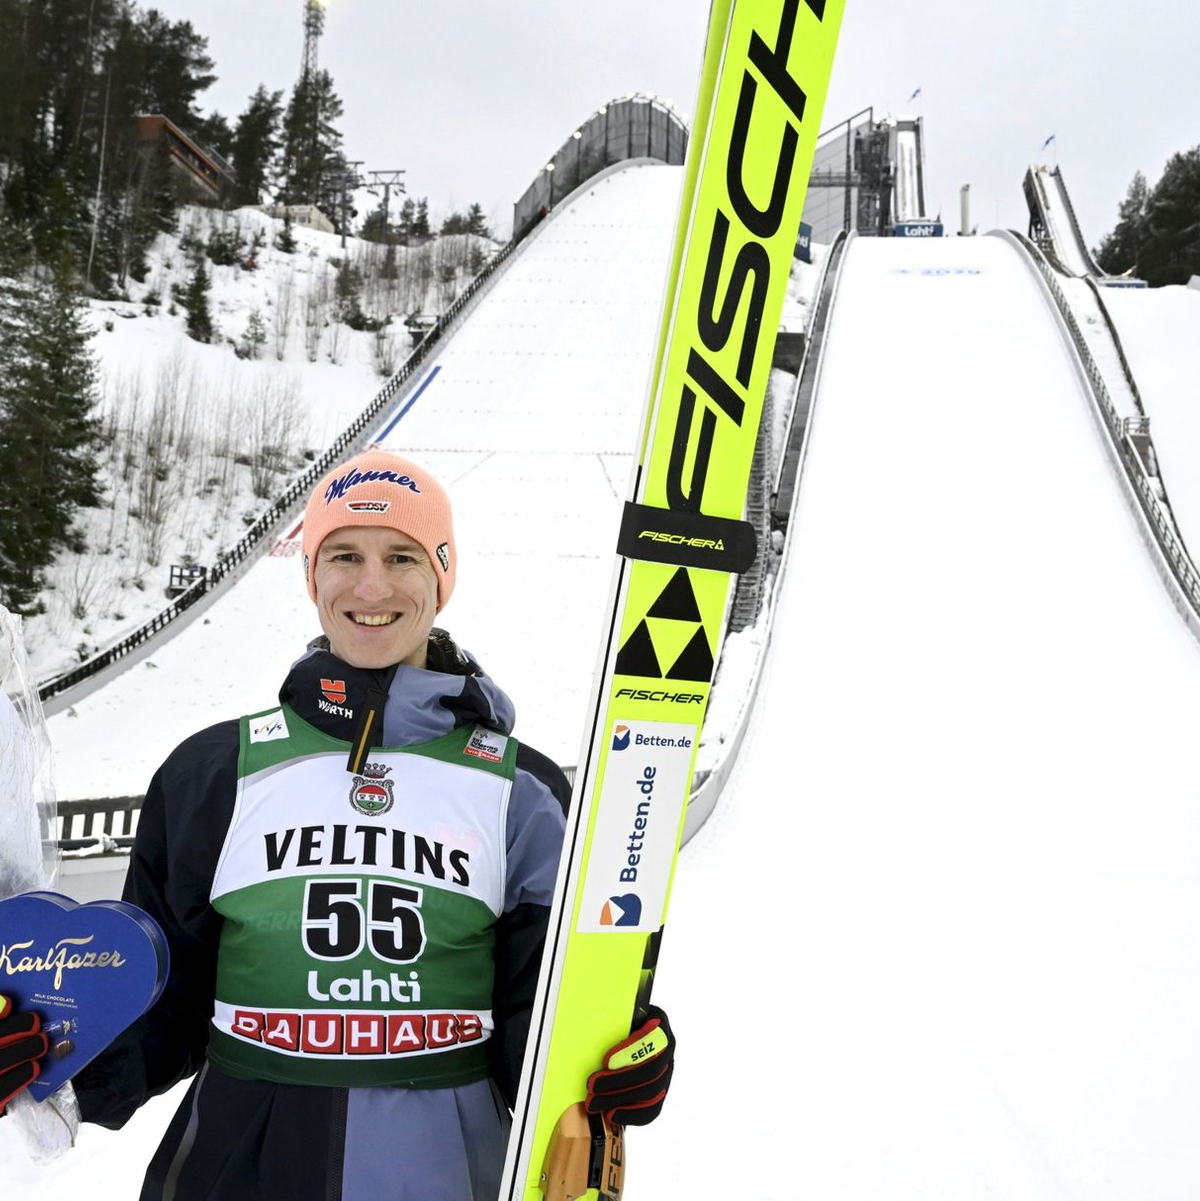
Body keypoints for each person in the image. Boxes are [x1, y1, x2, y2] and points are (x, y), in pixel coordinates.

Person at [0, 450, 673, 1198]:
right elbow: (160, 1010)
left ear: (441, 576)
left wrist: (610, 1058)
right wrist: (49, 1044)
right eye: (344, 555)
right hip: (239, 1173)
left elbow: (537, 1023)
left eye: (403, 556)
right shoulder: (213, 774)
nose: (372, 585)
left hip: (447, 1176)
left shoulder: (523, 791)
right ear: (313, 576)